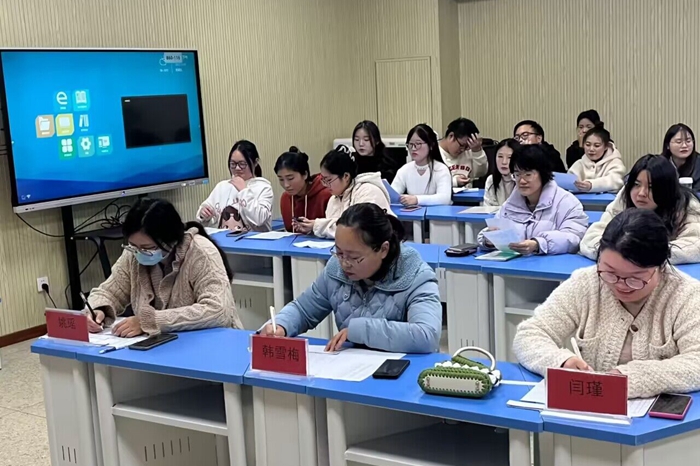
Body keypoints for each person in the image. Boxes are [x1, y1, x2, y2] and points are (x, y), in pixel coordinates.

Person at [513, 209, 700, 399]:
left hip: (658, 414)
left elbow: (696, 362)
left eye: (635, 278)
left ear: (661, 266)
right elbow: (530, 334)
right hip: (591, 408)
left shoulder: (686, 295)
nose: (620, 285)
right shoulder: (587, 283)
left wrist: (633, 378)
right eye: (610, 272)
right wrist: (562, 362)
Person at [260, 203, 442, 353]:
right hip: (351, 371)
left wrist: (359, 330)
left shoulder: (416, 275)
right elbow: (303, 310)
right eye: (339, 252)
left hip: (401, 374)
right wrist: (281, 326)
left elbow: (427, 336)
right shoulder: (335, 269)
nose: (345, 263)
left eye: (354, 257)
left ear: (383, 249)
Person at [85, 198, 243, 336]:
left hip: (209, 343)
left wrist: (149, 321)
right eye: (133, 245)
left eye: (147, 247)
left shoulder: (201, 253)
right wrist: (98, 310)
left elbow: (217, 310)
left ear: (171, 240)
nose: (139, 252)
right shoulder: (133, 253)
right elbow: (109, 292)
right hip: (162, 344)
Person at [580, 155, 700, 264]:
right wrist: (622, 251)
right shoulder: (624, 198)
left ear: (666, 189)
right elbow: (591, 239)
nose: (641, 193)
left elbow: (694, 246)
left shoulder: (686, 205)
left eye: (651, 187)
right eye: (636, 184)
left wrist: (642, 253)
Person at [477, 144, 588, 255]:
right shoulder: (511, 204)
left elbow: (574, 237)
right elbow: (495, 229)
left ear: (543, 174)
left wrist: (539, 244)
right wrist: (489, 239)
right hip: (516, 263)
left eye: (528, 174)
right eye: (517, 175)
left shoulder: (567, 202)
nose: (522, 181)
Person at [293, 145, 393, 239]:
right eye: (323, 180)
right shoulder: (333, 199)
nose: (325, 185)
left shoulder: (368, 191)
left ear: (346, 176)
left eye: (328, 180)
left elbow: (357, 230)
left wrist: (317, 226)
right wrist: (311, 229)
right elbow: (335, 233)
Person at [197, 140, 273, 232]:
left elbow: (259, 219)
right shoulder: (222, 186)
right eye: (233, 164)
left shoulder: (263, 187)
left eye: (242, 164)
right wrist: (204, 214)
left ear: (255, 162)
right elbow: (205, 213)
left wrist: (243, 190)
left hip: (254, 240)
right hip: (225, 239)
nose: (237, 168)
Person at [391, 123, 452, 206]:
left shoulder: (441, 169)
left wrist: (417, 199)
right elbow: (392, 195)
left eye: (418, 144)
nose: (413, 148)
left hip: (437, 214)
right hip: (414, 214)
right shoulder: (404, 170)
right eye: (410, 144)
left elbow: (444, 199)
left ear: (431, 145)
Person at [274, 146, 332, 232]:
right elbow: (290, 230)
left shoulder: (326, 194)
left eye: (290, 178)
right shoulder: (285, 198)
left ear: (305, 174)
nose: (286, 185)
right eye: (281, 179)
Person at [567, 124, 625, 193]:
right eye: (588, 145)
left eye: (597, 146)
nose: (591, 149)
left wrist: (591, 185)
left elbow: (616, 181)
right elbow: (568, 183)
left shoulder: (615, 162)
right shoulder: (579, 164)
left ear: (606, 146)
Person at [438, 117, 488, 188]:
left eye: (467, 147)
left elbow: (481, 173)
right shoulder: (433, 152)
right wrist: (454, 182)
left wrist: (477, 151)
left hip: (468, 193)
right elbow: (431, 183)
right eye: (462, 145)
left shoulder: (469, 150)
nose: (463, 150)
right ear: (451, 136)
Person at [662, 123, 700, 190]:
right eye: (679, 142)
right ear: (667, 145)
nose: (684, 145)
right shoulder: (659, 164)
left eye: (688, 141)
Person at [483, 139, 518, 207]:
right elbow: (488, 208)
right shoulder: (491, 180)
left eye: (509, 157)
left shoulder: (522, 181)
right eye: (500, 156)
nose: (504, 162)